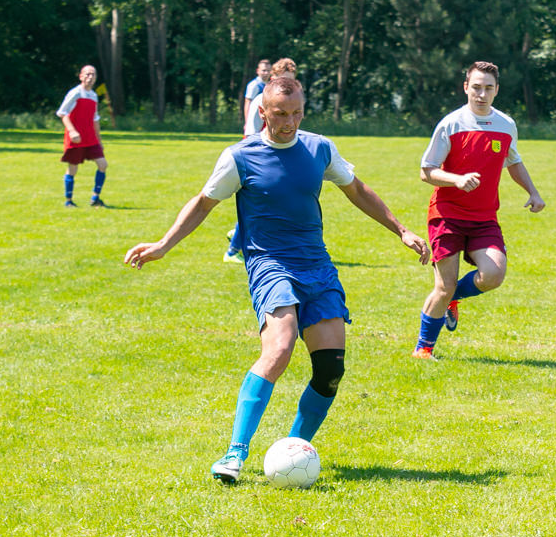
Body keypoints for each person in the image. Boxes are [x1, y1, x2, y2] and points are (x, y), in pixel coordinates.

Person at [124, 76, 429, 483]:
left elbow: (357, 190)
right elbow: (203, 203)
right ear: (262, 111)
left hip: (317, 266)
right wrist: (163, 244)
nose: (288, 122)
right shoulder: (241, 157)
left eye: (296, 113)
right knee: (280, 348)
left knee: (330, 369)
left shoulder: (319, 148)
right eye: (280, 114)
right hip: (270, 265)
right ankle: (234, 453)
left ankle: (294, 449)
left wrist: (402, 230)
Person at [411, 61, 545, 360]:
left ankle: (452, 299)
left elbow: (513, 161)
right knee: (443, 286)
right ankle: (423, 349)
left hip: (484, 218)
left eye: (488, 88)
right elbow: (426, 171)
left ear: (496, 90)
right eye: (476, 87)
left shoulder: (506, 124)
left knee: (493, 275)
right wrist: (457, 180)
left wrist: (533, 192)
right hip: (447, 215)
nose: (481, 94)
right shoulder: (451, 124)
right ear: (465, 88)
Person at [224, 58, 299, 263]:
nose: (288, 86)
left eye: (292, 81)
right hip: (260, 160)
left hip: (282, 159)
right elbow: (250, 135)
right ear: (272, 78)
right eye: (284, 80)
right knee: (254, 207)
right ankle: (233, 249)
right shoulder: (260, 101)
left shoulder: (293, 102)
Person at [56, 65, 110, 207]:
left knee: (103, 165)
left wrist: (99, 141)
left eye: (93, 74)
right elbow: (62, 113)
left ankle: (95, 198)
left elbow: (95, 119)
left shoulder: (93, 96)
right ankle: (68, 201)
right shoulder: (75, 93)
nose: (90, 77)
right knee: (73, 168)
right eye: (87, 74)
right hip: (76, 138)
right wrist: (72, 131)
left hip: (90, 138)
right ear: (81, 76)